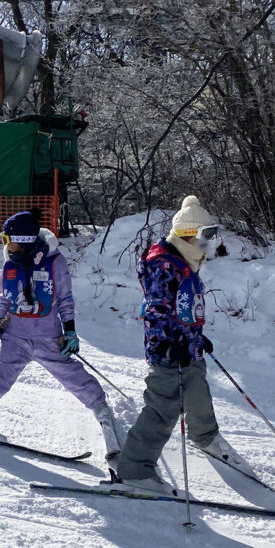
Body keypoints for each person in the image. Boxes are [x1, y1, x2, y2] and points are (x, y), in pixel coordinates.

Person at [0, 208, 120, 457]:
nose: (5, 244)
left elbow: (64, 299)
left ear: (25, 241)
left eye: (8, 239)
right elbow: (5, 296)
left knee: (74, 377)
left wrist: (70, 332)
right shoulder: (10, 260)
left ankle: (104, 413)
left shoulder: (54, 262)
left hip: (47, 337)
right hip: (15, 336)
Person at [113, 194, 229, 494]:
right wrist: (167, 344)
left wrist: (194, 335)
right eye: (206, 236)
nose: (209, 243)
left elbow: (184, 305)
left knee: (197, 388)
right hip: (167, 349)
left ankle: (205, 436)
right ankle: (135, 468)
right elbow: (156, 309)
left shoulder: (187, 259)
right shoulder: (164, 265)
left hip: (186, 344)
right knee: (163, 407)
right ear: (188, 235)